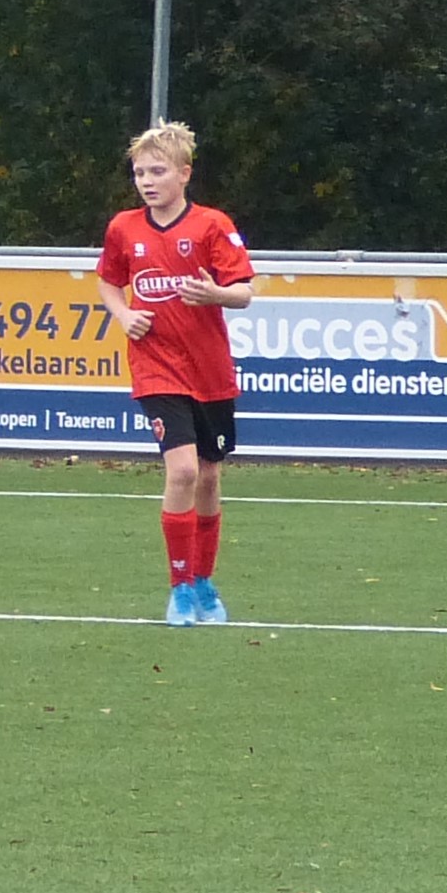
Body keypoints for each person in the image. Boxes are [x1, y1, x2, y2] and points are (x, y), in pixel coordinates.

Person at [94, 122, 254, 626]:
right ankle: (179, 587)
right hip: (156, 367)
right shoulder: (124, 228)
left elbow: (244, 292)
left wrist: (217, 295)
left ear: (184, 174)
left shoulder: (211, 225)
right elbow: (108, 282)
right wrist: (122, 316)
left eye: (157, 171)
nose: (147, 180)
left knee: (208, 475)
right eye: (140, 172)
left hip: (209, 370)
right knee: (181, 470)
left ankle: (204, 582)